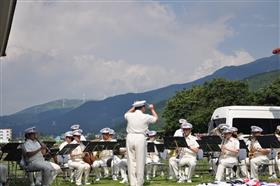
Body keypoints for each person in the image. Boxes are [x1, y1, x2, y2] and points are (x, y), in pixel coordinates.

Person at [125, 100, 158, 186]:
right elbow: (155, 119)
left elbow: (126, 114)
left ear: (135, 107)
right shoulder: (146, 116)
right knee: (140, 161)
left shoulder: (129, 115)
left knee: (131, 161)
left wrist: (133, 107)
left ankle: (133, 183)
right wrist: (152, 109)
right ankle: (139, 183)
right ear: (143, 107)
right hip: (140, 137)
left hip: (130, 137)